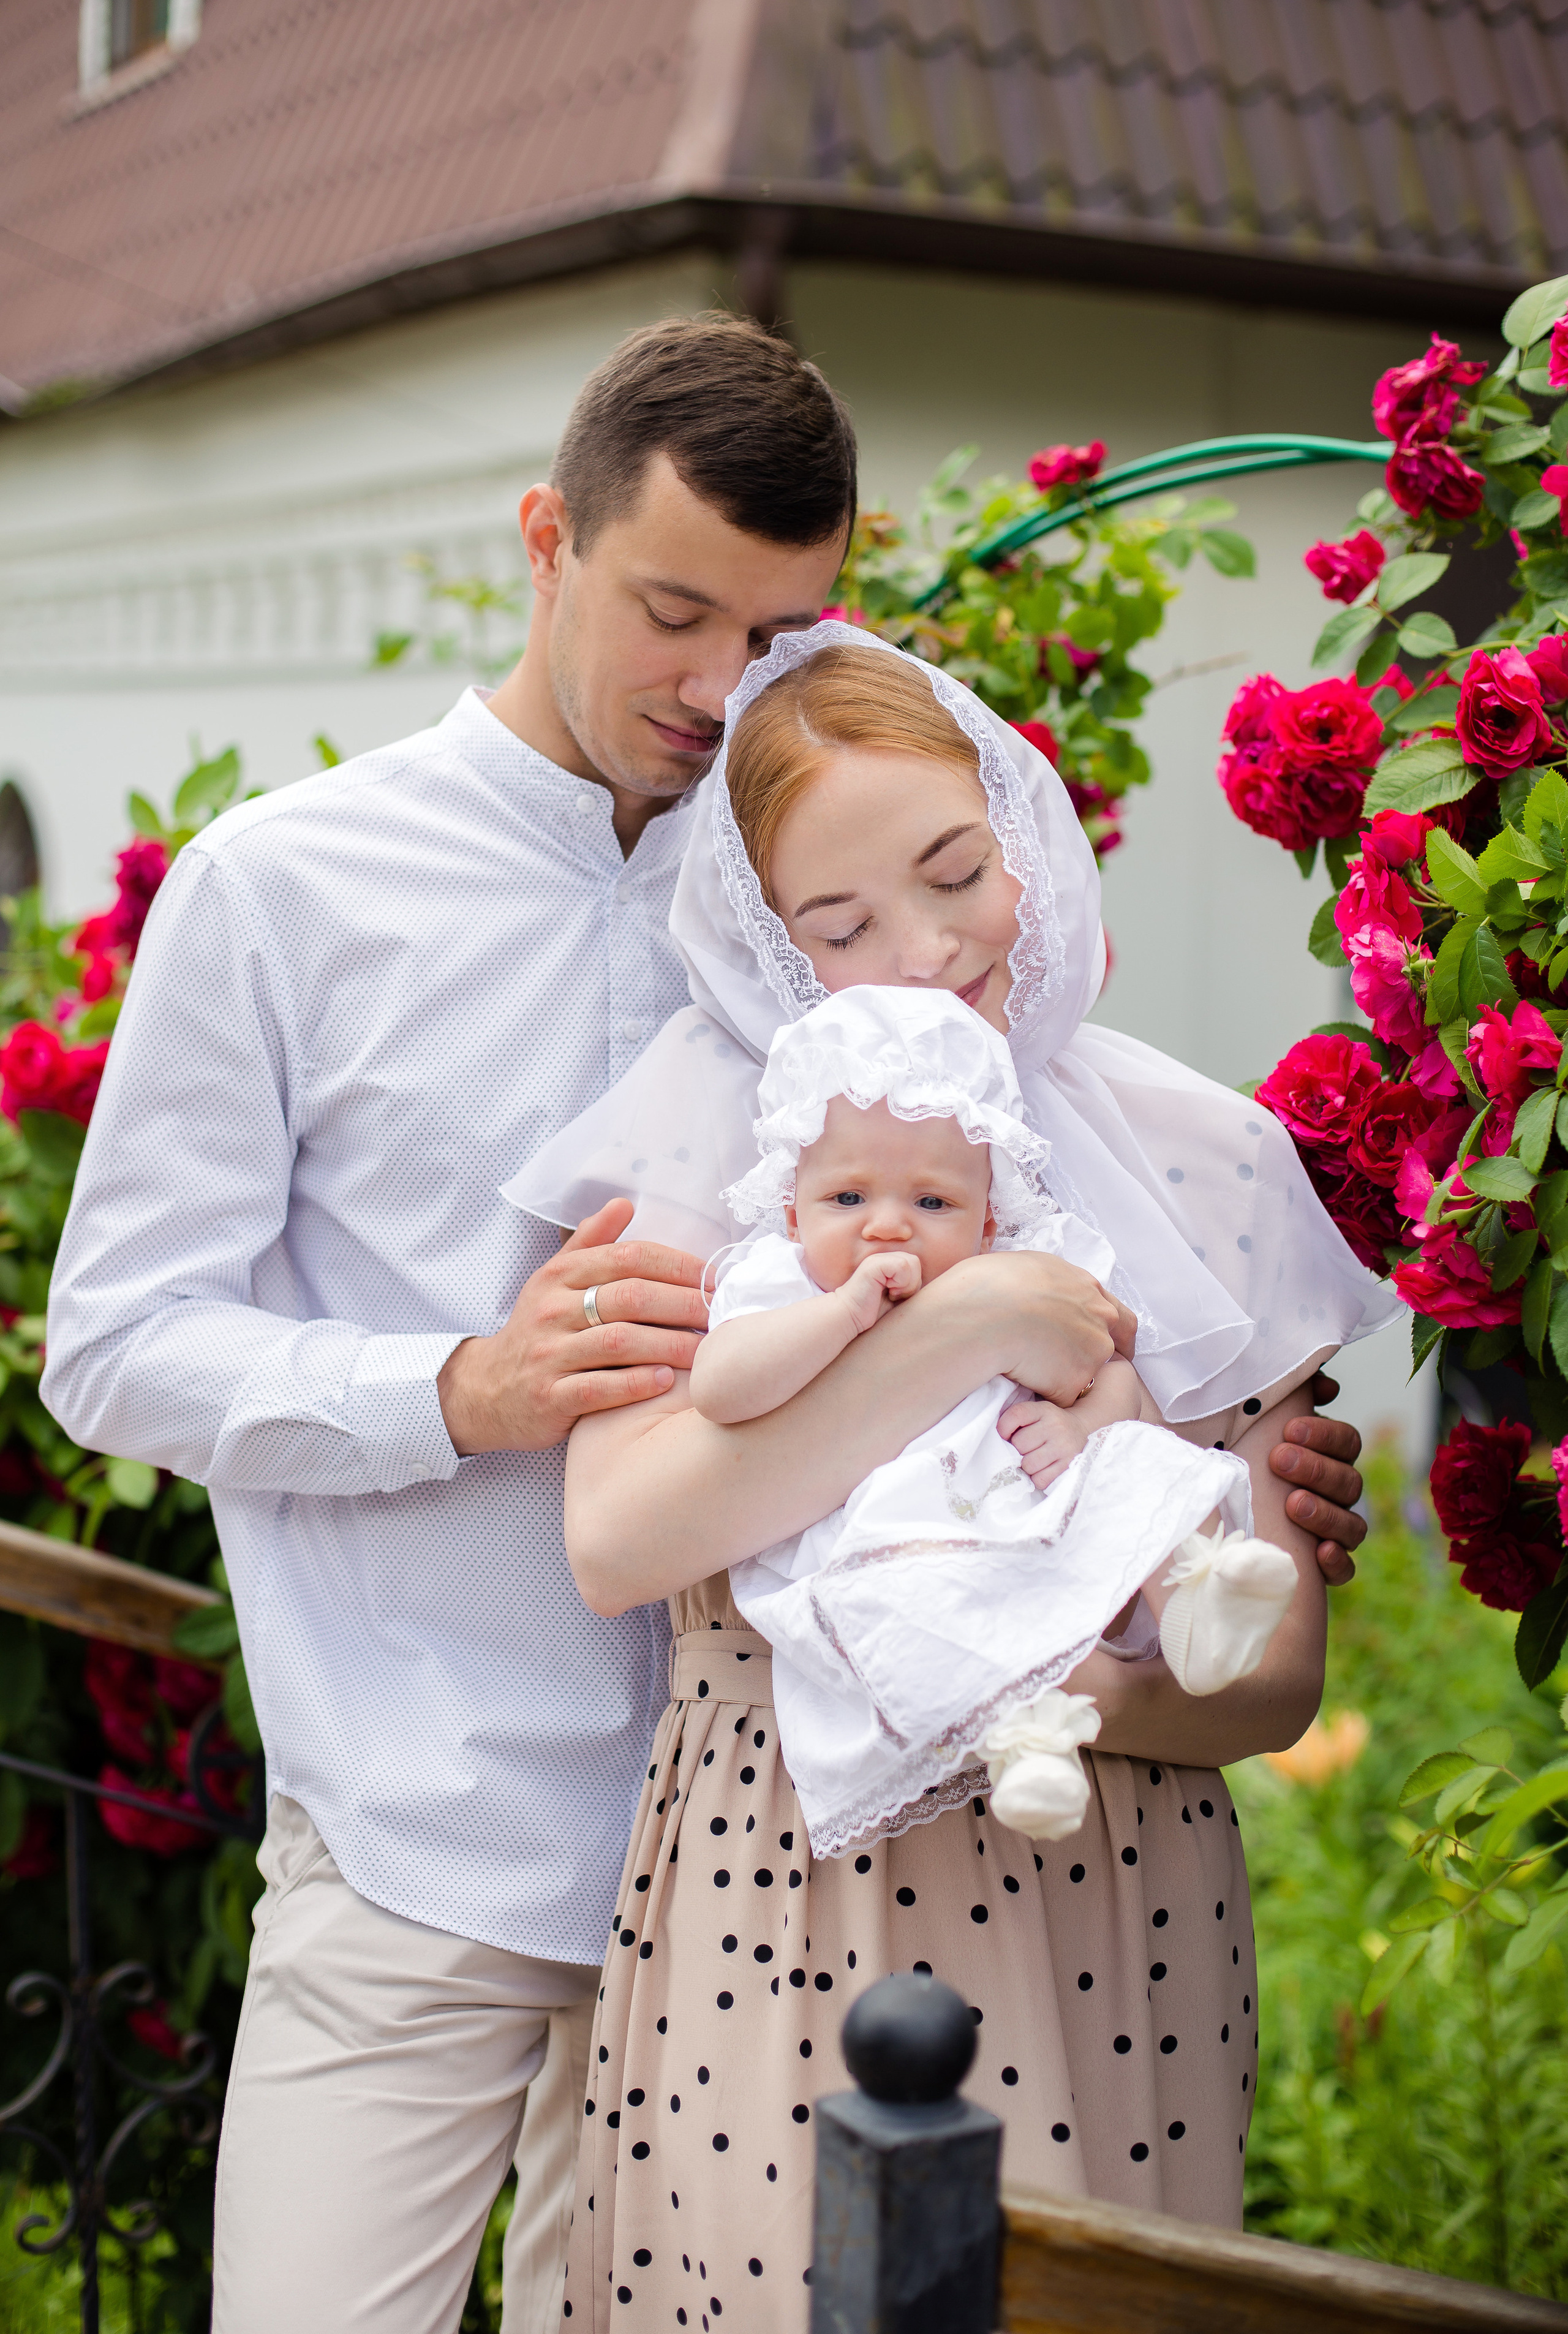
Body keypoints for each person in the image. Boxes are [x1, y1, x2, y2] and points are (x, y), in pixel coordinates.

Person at [41, 315, 1366, 2329]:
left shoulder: (839, 892)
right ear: (544, 541)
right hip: (437, 1825)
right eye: (672, 608)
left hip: (784, 1861)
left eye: (778, 630)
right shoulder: (284, 887)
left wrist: (1206, 1475)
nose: (714, 681)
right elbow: (114, 1342)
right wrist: (459, 1386)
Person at [500, 629, 1398, 2330]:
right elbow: (622, 1538)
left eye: (957, 873)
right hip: (791, 1870)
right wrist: (976, 1316)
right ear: (767, 939)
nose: (924, 955)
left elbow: (1264, 1676)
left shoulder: (1204, 1152)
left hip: (1111, 1882)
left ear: (1025, 833)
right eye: (837, 932)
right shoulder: (713, 1136)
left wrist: (981, 1670)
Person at [693, 982, 1298, 1859]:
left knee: (1141, 1458)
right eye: (847, 1200)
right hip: (894, 1532)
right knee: (922, 1615)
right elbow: (723, 1388)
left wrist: (1093, 1422)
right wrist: (844, 1314)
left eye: (933, 1203)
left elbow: (1111, 1366)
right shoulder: (783, 1284)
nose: (887, 1226)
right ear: (793, 1208)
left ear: (988, 1219)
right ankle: (1028, 1746)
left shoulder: (1028, 1275)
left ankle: (1199, 1599)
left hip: (1028, 1496)